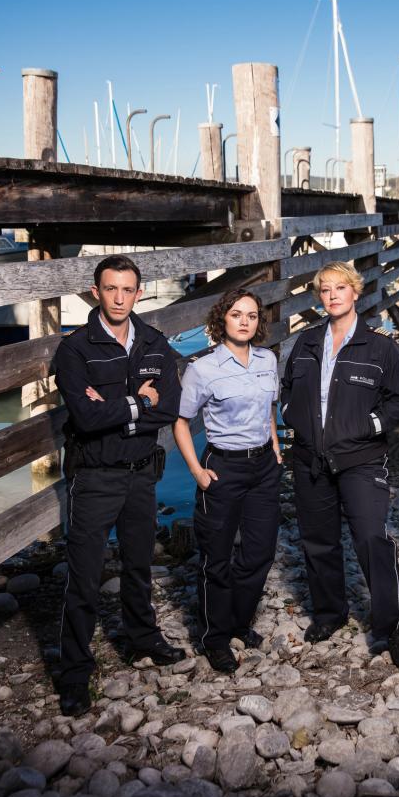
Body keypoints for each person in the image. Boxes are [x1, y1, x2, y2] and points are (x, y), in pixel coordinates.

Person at [54, 255, 185, 717]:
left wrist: (117, 407)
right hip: (96, 475)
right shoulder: (75, 349)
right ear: (96, 292)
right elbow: (86, 418)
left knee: (138, 563)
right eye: (111, 289)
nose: (119, 298)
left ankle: (142, 638)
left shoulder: (153, 342)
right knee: (84, 577)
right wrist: (137, 402)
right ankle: (75, 672)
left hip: (142, 472)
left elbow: (168, 406)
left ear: (139, 292)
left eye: (128, 289)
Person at [280, 261, 399, 671]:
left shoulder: (380, 346)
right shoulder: (306, 342)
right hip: (310, 458)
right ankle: (330, 614)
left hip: (361, 459)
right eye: (325, 290)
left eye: (340, 288)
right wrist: (292, 416)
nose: (332, 296)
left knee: (372, 540)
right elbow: (287, 389)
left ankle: (394, 629)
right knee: (318, 540)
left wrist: (369, 426)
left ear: (355, 292)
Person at [173, 289, 282, 674]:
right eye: (236, 314)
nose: (244, 321)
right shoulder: (203, 369)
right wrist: (196, 470)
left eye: (251, 315)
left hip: (263, 467)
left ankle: (238, 622)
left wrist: (275, 445)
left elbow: (268, 408)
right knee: (216, 557)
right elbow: (181, 422)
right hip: (223, 467)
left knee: (260, 552)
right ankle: (215, 638)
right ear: (223, 319)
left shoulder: (268, 360)